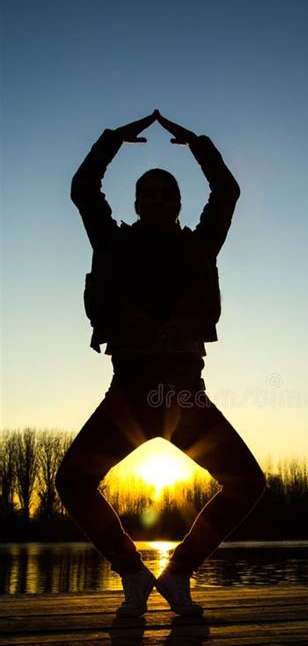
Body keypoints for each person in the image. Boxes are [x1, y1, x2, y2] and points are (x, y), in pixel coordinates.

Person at [55, 109, 267, 617]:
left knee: (247, 482)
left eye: (164, 193)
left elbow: (226, 194)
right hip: (128, 393)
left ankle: (177, 575)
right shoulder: (112, 242)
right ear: (135, 202)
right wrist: (112, 141)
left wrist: (198, 146)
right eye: (146, 193)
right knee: (72, 481)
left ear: (177, 203)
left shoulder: (198, 245)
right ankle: (131, 574)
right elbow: (84, 188)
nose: (154, 199)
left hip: (182, 394)